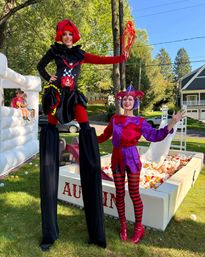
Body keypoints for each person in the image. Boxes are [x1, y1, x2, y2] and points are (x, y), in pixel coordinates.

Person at [37, 19, 135, 251]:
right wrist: (48, 77)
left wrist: (121, 58)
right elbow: (41, 66)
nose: (68, 37)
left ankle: (90, 159)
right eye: (65, 34)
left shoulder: (80, 55)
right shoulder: (55, 51)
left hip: (74, 97)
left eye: (71, 34)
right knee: (50, 127)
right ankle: (49, 232)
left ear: (75, 36)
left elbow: (101, 60)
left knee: (85, 124)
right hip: (58, 97)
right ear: (61, 35)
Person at [97, 85, 185, 244]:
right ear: (122, 102)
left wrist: (172, 122)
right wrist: (88, 138)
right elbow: (104, 135)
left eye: (130, 99)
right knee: (119, 193)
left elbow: (156, 135)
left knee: (134, 193)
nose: (127, 101)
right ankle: (123, 224)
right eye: (125, 99)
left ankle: (139, 227)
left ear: (135, 102)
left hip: (132, 158)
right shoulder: (115, 119)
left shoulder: (140, 121)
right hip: (116, 158)